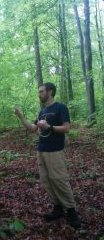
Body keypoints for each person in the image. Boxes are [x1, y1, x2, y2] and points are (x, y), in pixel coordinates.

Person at [14, 82, 81, 229]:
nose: (39, 94)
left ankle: (71, 211)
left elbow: (67, 128)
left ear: (50, 91)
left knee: (59, 179)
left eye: (41, 91)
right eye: (39, 92)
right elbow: (33, 128)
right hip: (41, 150)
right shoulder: (42, 112)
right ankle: (57, 207)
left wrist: (49, 127)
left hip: (55, 150)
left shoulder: (60, 107)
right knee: (46, 180)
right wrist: (21, 116)